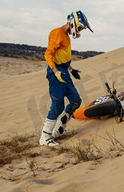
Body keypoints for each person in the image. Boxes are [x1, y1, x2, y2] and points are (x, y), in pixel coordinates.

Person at [39, 10, 93, 146]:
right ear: (73, 23)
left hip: (64, 71)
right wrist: (56, 72)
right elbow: (48, 55)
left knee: (75, 100)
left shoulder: (65, 36)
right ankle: (45, 137)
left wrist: (71, 69)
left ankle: (59, 128)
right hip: (56, 72)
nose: (80, 30)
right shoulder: (57, 33)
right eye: (80, 27)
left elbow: (62, 56)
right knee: (58, 104)